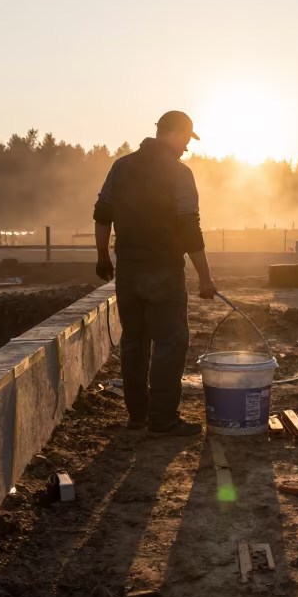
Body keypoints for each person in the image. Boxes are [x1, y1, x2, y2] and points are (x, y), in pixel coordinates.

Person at [93, 110, 217, 436]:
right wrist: (205, 277)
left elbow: (102, 213)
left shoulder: (121, 167)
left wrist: (103, 256)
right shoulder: (179, 173)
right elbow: (190, 228)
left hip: (128, 270)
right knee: (170, 343)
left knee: (133, 342)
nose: (187, 148)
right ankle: (162, 420)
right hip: (163, 270)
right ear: (175, 134)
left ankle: (138, 417)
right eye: (187, 140)